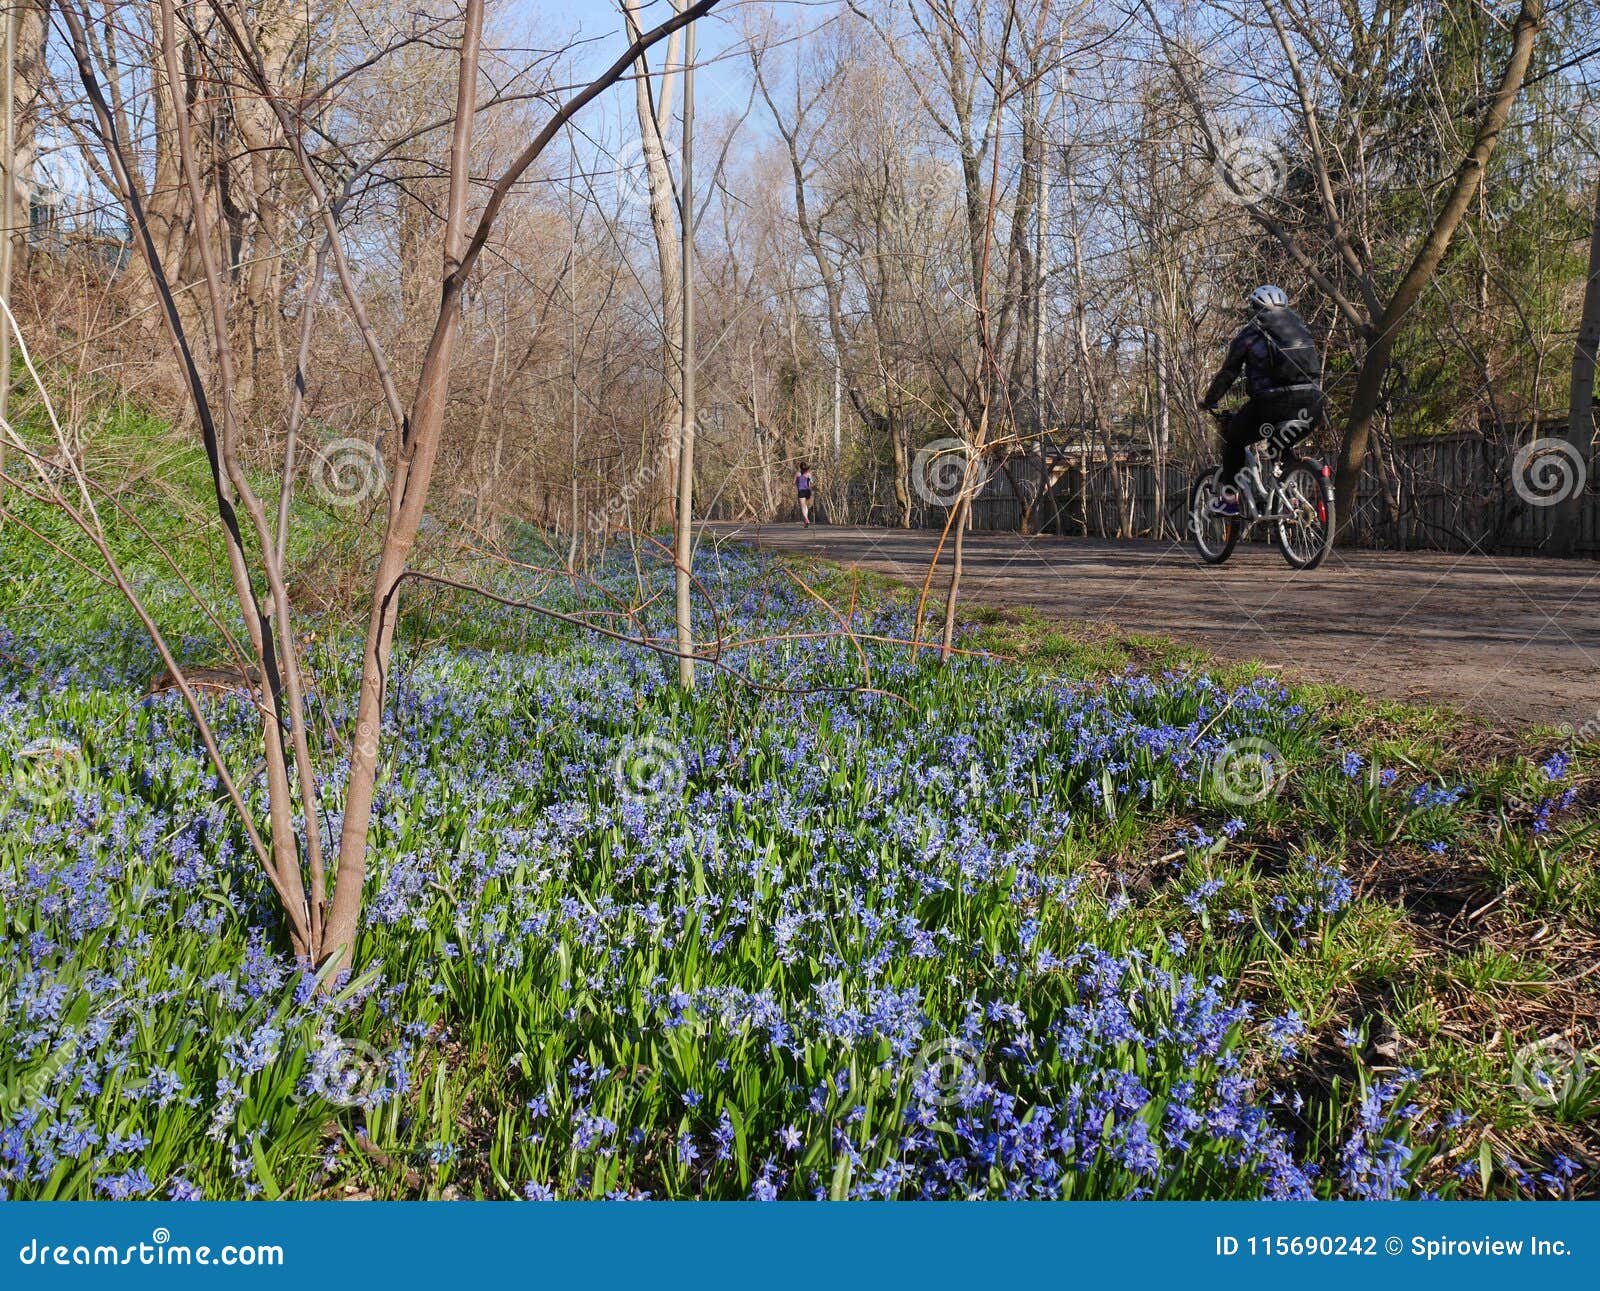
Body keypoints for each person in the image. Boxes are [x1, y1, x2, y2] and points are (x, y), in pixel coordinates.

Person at [1199, 285, 1325, 515]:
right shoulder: (1302, 329)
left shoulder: (1250, 333)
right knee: (1281, 441)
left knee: (1235, 440)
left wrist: (1209, 401)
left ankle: (1228, 499)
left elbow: (1228, 373)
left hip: (1272, 404)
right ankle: (1290, 498)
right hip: (1313, 403)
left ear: (1254, 309)